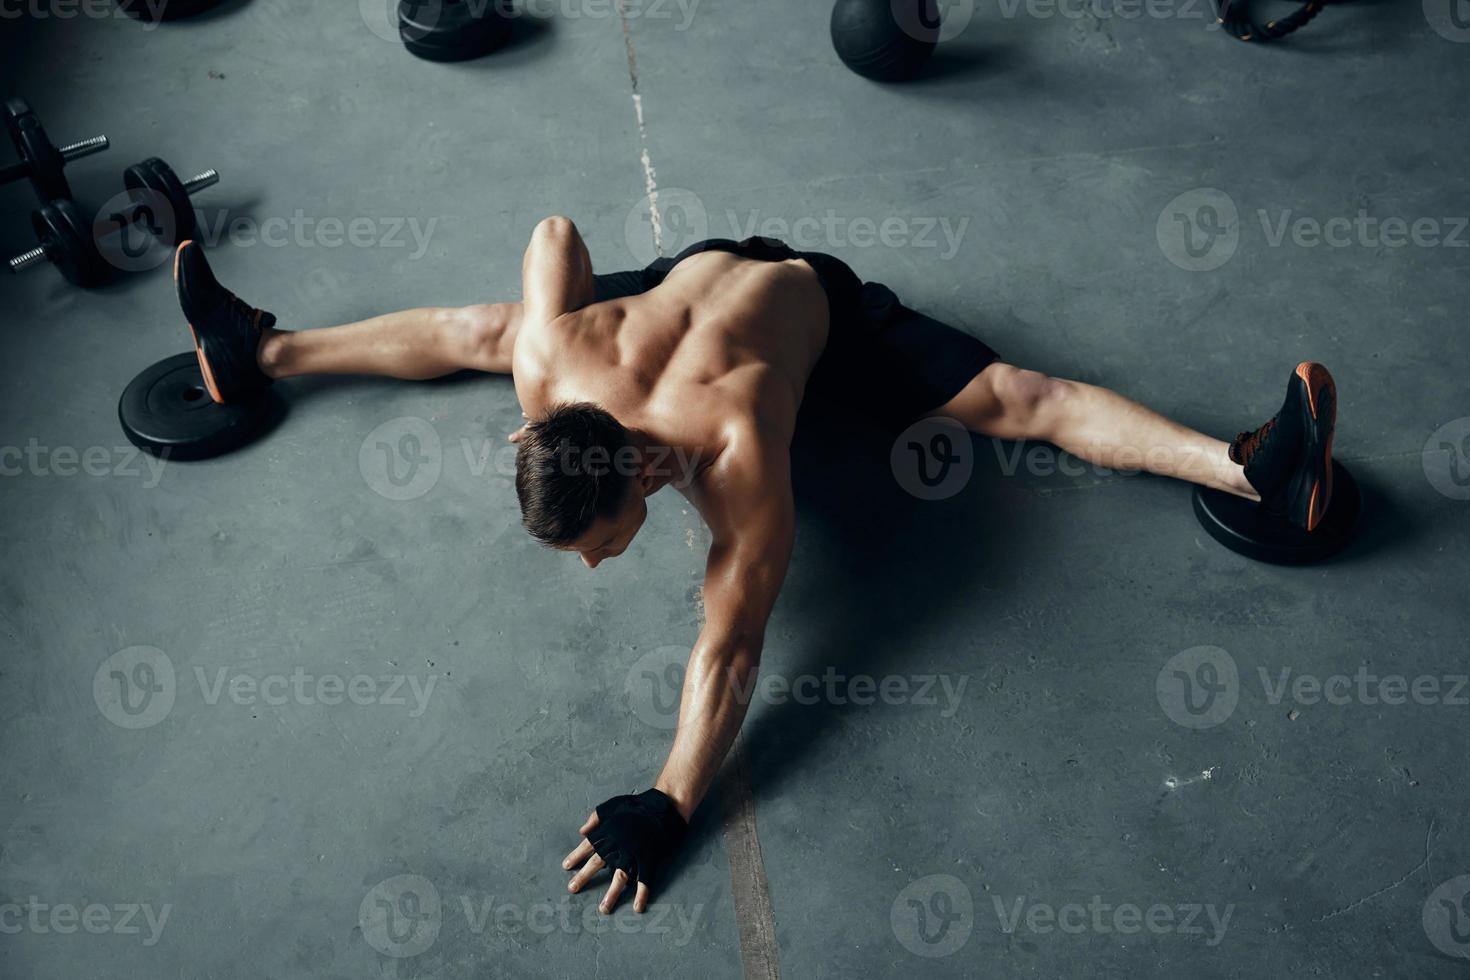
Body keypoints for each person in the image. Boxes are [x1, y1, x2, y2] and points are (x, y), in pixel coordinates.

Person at [169, 215, 1336, 914]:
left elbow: (730, 649)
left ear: (641, 480)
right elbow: (555, 235)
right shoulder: (556, 365)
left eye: (603, 542)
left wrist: (672, 799)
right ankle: (252, 349)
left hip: (814, 310)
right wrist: (543, 321)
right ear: (543, 427)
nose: (596, 568)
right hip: (690, 276)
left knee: (1016, 401)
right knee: (495, 325)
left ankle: (1249, 470)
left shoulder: (742, 466)